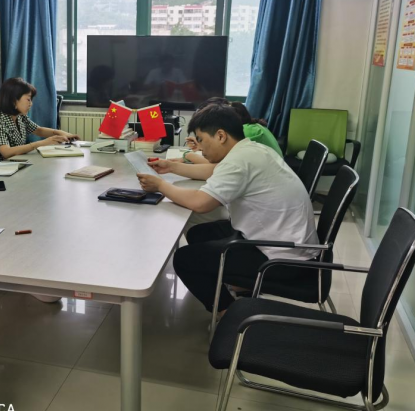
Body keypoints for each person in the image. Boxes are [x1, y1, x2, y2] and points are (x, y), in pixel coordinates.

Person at [136, 105, 318, 318]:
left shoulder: (239, 160)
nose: (200, 148)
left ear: (221, 136)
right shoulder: (252, 150)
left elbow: (201, 203)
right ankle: (231, 282)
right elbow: (214, 171)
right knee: (199, 233)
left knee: (184, 259)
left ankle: (230, 313)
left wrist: (160, 185)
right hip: (290, 244)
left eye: (201, 140)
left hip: (283, 260)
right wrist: (171, 167)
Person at [0, 77, 79, 162]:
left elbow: (38, 130)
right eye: (28, 99)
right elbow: (6, 152)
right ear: (13, 101)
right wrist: (43, 143)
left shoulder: (20, 117)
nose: (31, 104)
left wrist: (61, 133)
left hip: (14, 165)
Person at [179, 99, 282, 164]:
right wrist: (203, 144)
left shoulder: (246, 132)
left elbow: (218, 166)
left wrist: (189, 156)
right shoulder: (251, 127)